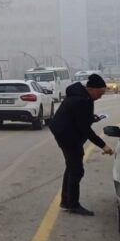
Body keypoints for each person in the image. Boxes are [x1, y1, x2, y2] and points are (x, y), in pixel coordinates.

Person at [49, 73, 114, 216]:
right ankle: (73, 205)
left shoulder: (82, 96)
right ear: (91, 89)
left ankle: (66, 201)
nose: (101, 96)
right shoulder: (81, 100)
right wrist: (103, 145)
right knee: (77, 170)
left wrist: (91, 118)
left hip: (65, 133)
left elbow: (80, 118)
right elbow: (85, 128)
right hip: (67, 136)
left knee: (71, 168)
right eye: (100, 92)